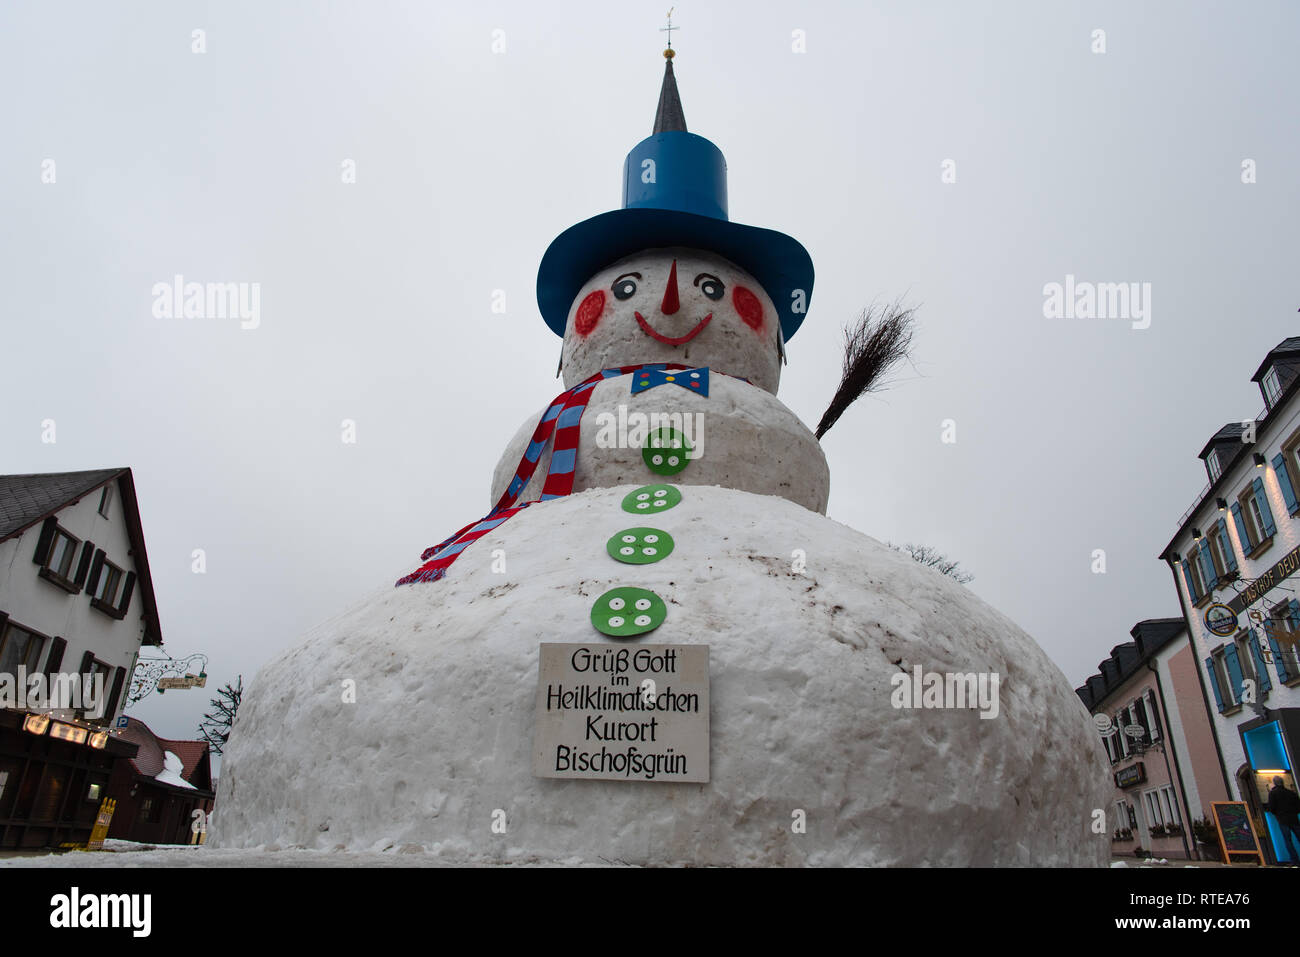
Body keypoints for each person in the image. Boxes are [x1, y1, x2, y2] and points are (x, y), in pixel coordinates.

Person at [1264, 776, 1300, 865]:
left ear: (1275, 783)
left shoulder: (1273, 793)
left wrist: (1277, 813)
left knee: (1288, 841)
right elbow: (1298, 807)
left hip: (1283, 819)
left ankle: (1295, 860)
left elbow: (1272, 807)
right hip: (1294, 819)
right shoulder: (1291, 793)